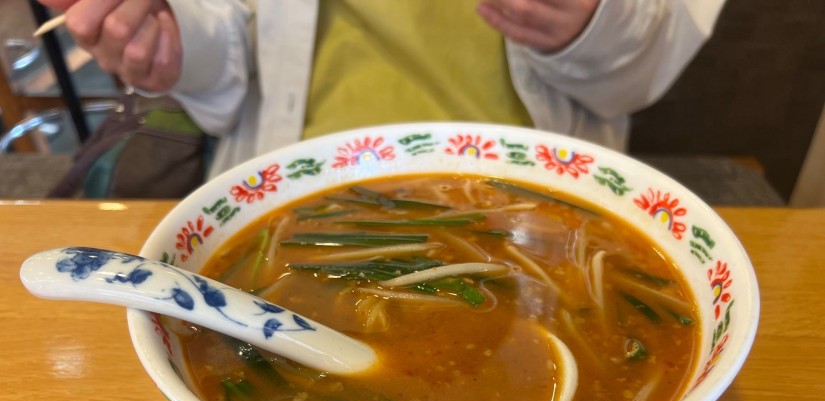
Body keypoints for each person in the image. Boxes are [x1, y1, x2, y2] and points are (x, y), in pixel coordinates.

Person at [37, 0, 726, 178]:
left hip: (536, 196)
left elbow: (643, 70)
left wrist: (592, 23)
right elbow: (226, 43)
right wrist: (171, 43)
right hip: (288, 184)